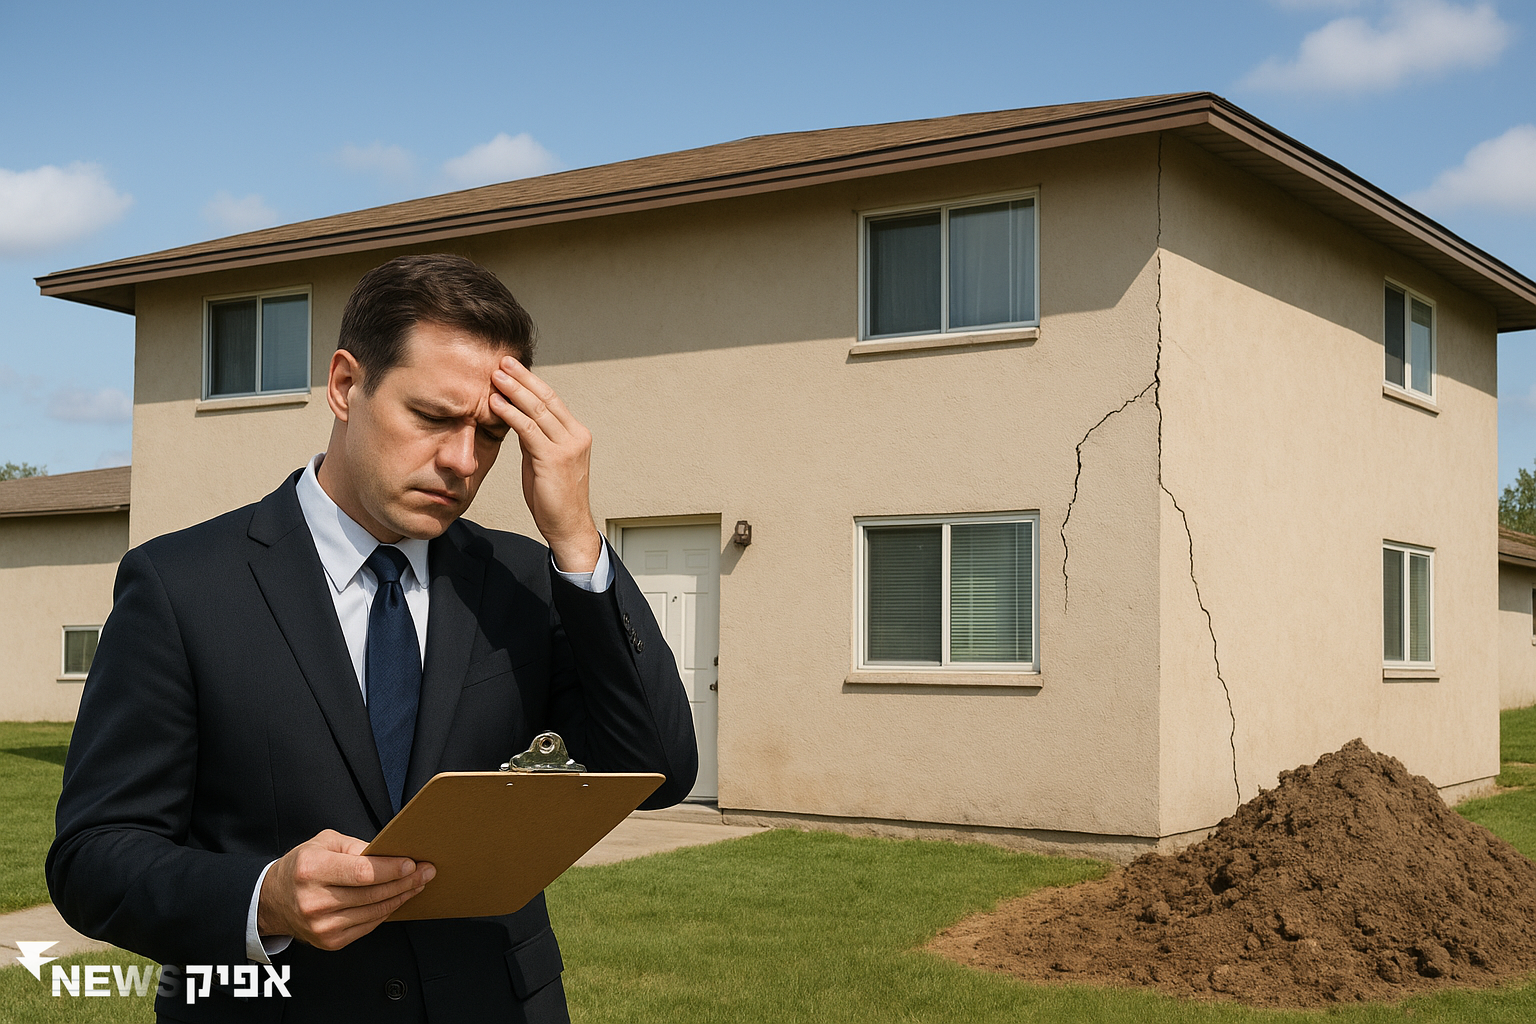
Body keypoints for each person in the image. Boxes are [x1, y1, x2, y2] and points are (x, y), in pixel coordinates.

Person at [47, 253, 698, 1023]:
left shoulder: (525, 580)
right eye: (431, 417)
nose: (462, 461)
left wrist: (578, 538)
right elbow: (94, 856)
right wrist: (265, 900)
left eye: (490, 433)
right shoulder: (181, 586)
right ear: (346, 385)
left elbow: (658, 769)